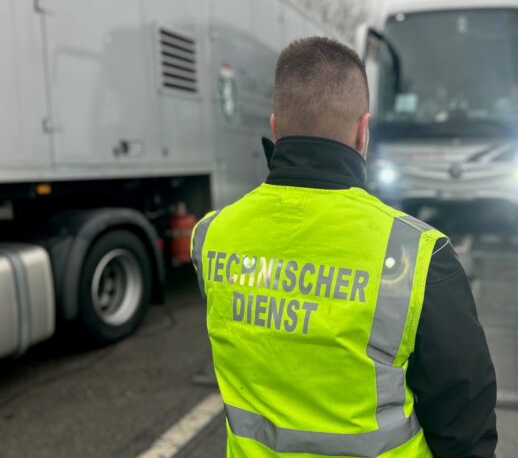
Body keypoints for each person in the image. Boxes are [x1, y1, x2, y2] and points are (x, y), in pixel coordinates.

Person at [191, 37, 497, 458]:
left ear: (275, 128)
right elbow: (464, 429)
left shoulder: (211, 236)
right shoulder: (421, 255)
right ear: (362, 131)